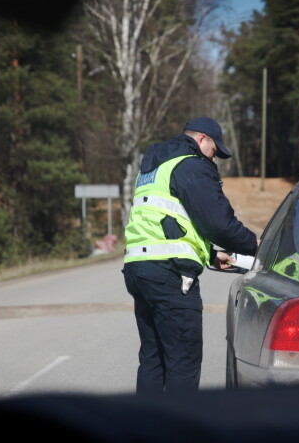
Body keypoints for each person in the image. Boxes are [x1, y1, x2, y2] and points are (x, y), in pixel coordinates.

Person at [122, 116, 258, 395]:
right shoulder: (190, 165)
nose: (214, 158)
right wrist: (257, 245)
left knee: (153, 359)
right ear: (201, 139)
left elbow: (169, 222)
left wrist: (209, 253)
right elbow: (218, 223)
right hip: (170, 275)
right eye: (214, 150)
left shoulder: (153, 167)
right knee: (183, 361)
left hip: (139, 271)